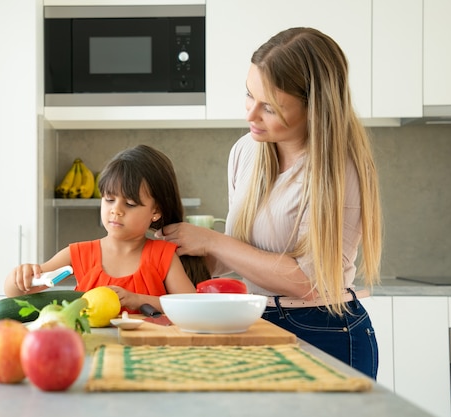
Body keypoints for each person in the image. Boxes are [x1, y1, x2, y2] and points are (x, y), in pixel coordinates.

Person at [156, 27, 382, 379]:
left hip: (324, 331)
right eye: (249, 95)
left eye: (270, 107)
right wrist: (159, 256)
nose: (250, 115)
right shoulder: (246, 150)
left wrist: (213, 241)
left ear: (314, 107)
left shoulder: (343, 170)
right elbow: (237, 256)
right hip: (255, 321)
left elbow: (311, 280)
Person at [4, 144, 209, 313]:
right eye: (109, 199)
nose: (116, 210)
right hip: (92, 353)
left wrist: (137, 300)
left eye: (129, 204)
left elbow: (191, 307)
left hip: (147, 352)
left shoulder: (163, 256)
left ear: (155, 211)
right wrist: (21, 276)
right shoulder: (78, 254)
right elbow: (15, 293)